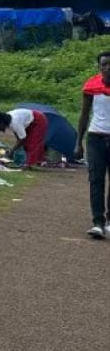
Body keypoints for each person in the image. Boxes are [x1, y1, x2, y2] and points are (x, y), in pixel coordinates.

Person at [76, 51, 110, 239]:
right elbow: (84, 115)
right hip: (95, 137)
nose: (107, 68)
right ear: (99, 67)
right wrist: (78, 142)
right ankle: (97, 222)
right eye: (103, 64)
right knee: (96, 180)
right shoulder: (91, 86)